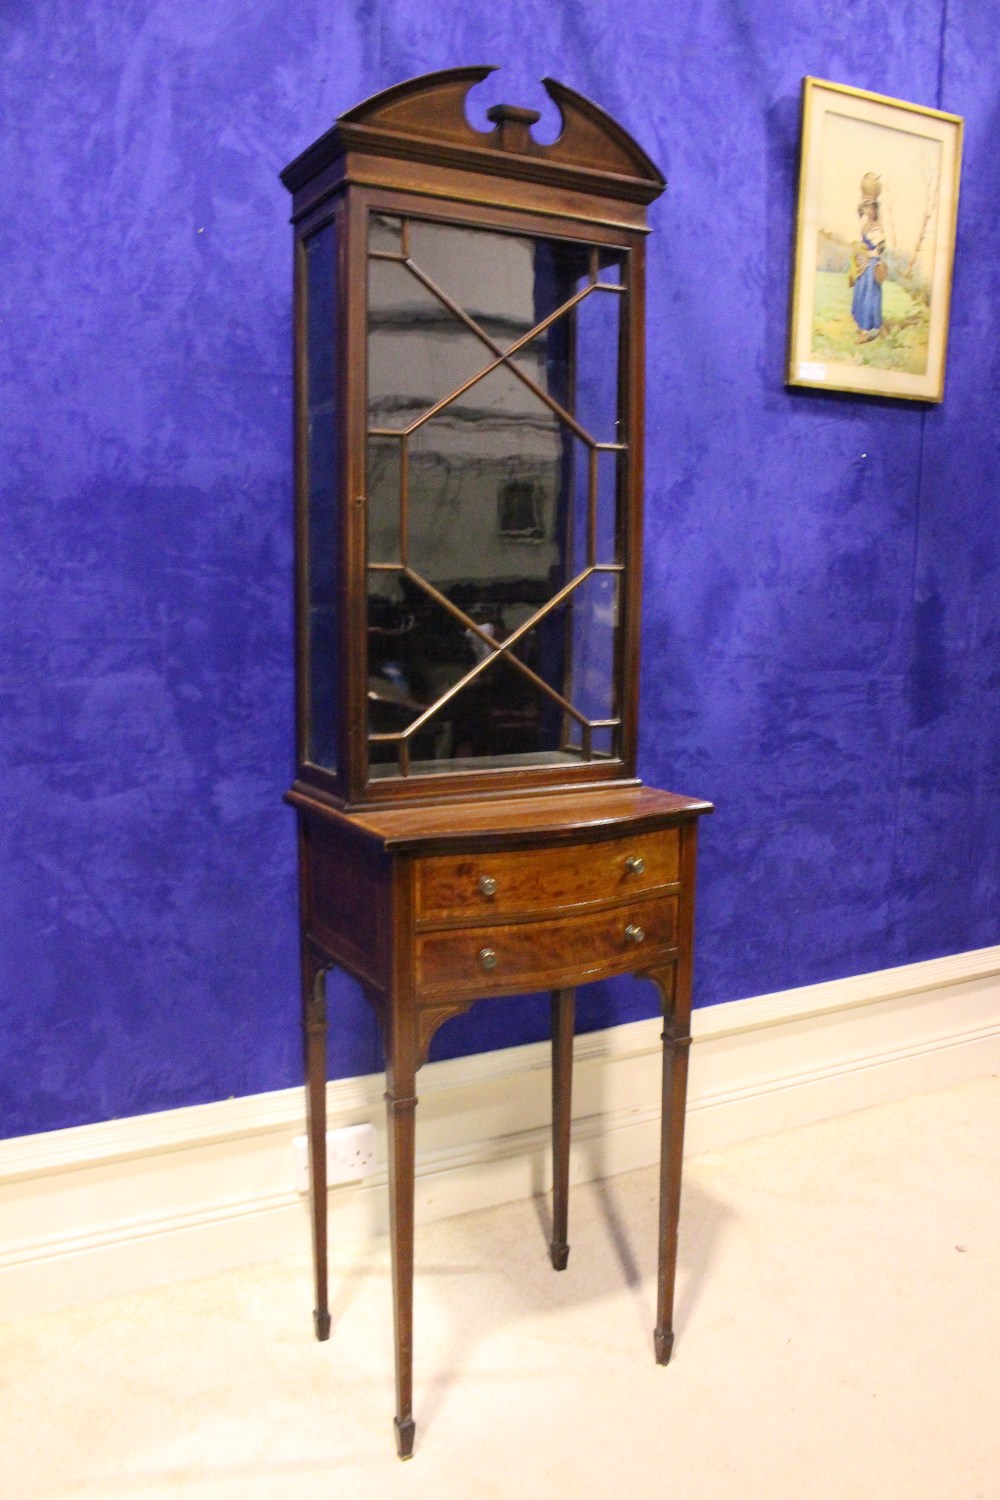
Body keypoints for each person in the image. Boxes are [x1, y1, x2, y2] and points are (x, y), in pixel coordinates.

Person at [849, 175, 886, 342]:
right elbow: (858, 210)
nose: (866, 211)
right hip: (863, 263)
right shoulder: (865, 225)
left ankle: (868, 330)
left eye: (869, 208)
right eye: (865, 208)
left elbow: (880, 247)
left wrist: (872, 254)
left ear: (875, 211)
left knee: (869, 294)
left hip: (871, 264)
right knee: (861, 291)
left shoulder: (876, 228)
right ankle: (863, 325)